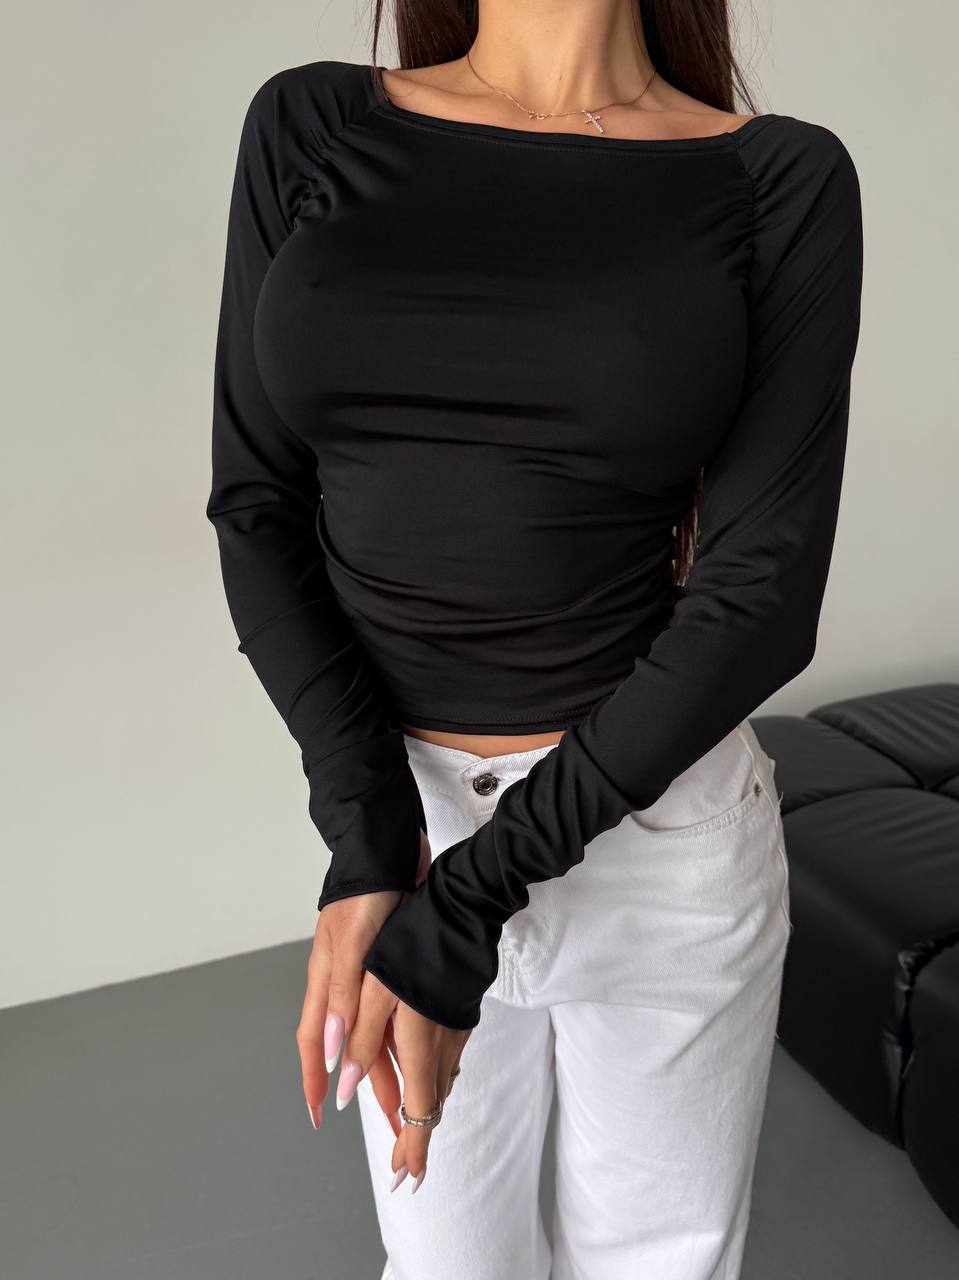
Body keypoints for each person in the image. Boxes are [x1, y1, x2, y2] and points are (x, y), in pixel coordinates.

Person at [205, 3, 863, 1276]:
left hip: (653, 830)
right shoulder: (311, 123)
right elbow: (256, 504)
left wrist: (473, 899)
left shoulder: (776, 178)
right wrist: (370, 833)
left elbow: (759, 595)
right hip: (406, 822)